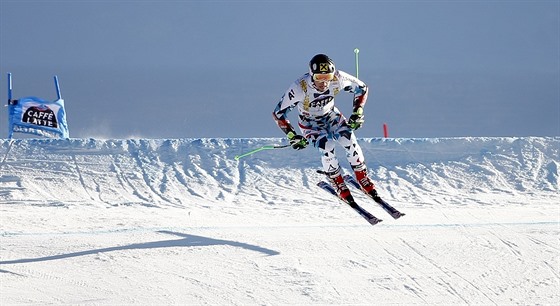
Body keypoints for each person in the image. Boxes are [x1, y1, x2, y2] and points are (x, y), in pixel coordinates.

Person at [272, 53, 379, 204]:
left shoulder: (338, 77)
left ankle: (362, 177)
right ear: (311, 75)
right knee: (327, 146)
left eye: (327, 77)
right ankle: (337, 181)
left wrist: (357, 112)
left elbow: (362, 88)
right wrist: (292, 135)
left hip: (331, 116)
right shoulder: (299, 87)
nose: (324, 83)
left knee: (349, 141)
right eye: (319, 78)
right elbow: (278, 113)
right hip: (309, 123)